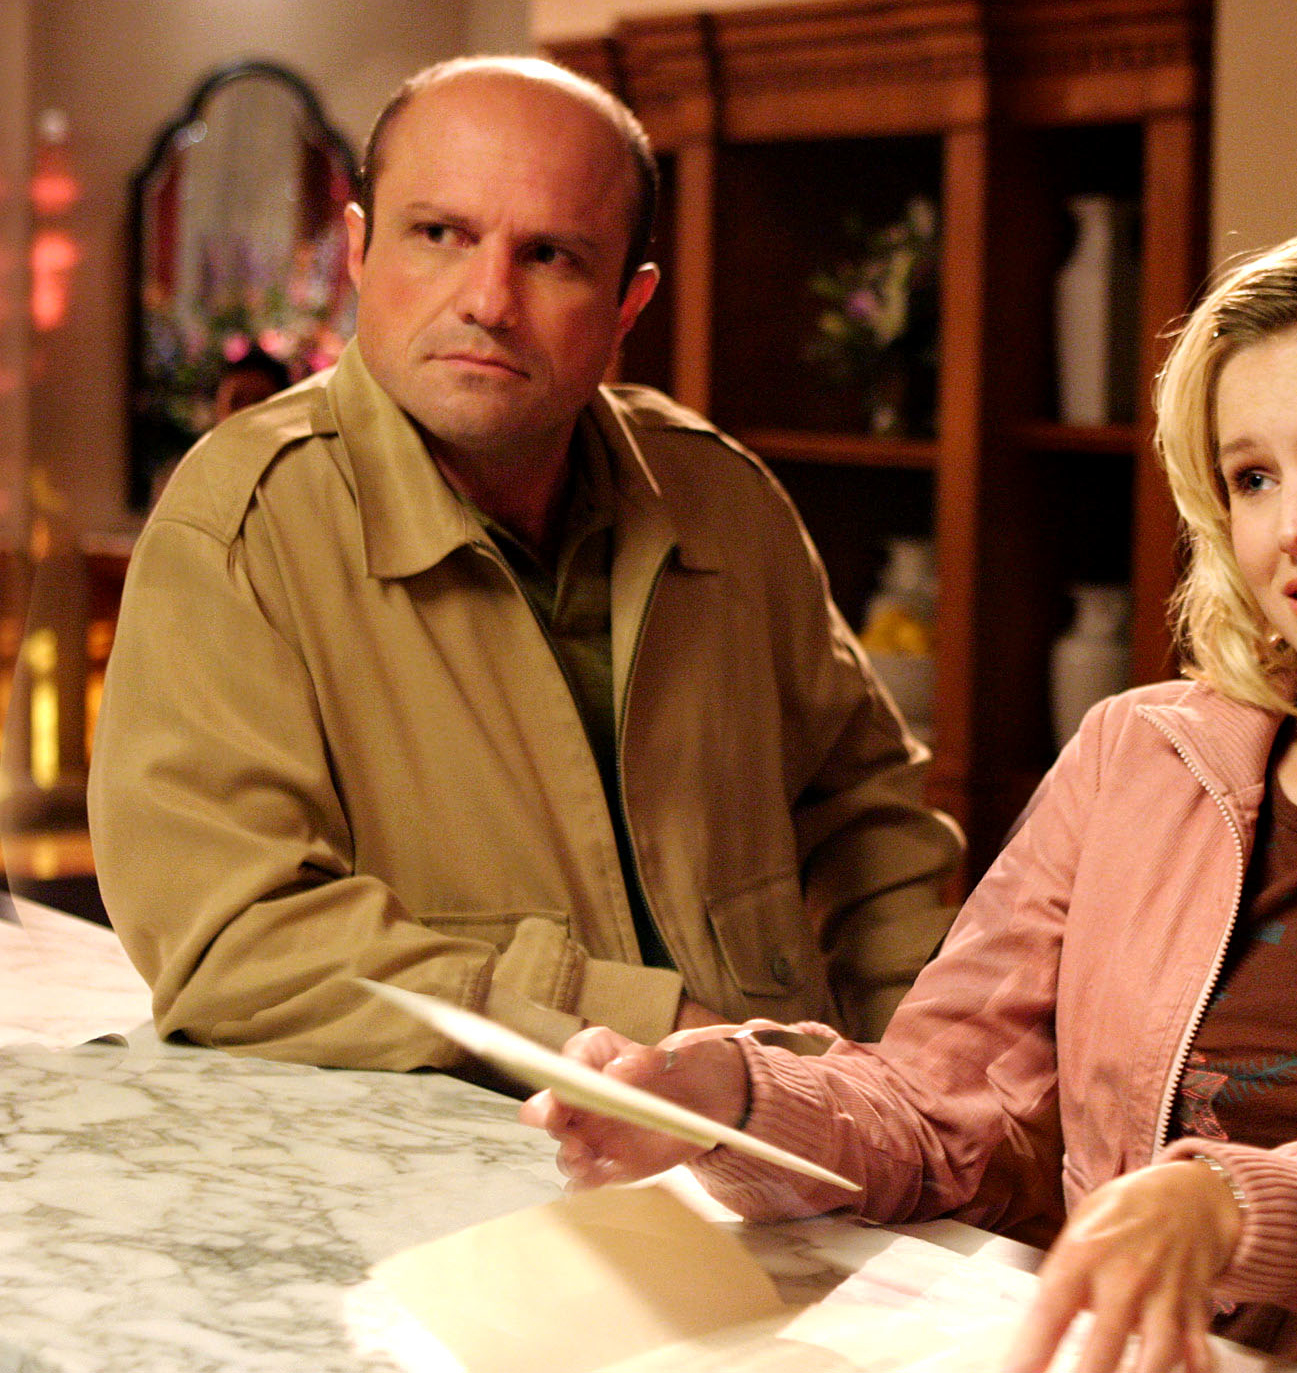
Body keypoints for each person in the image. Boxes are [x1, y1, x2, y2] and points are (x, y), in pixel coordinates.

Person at [524, 228, 1297, 1372]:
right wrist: (725, 1098)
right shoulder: (1134, 753)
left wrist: (1221, 1205)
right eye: (1252, 478)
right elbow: (944, 1104)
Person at [88, 57, 962, 1075]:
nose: (488, 301)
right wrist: (638, 1021)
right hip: (456, 1189)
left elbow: (871, 823)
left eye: (549, 255)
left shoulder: (722, 500)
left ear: (628, 305)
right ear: (360, 251)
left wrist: (933, 1076)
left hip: (786, 1160)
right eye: (440, 236)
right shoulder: (240, 527)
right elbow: (235, 943)